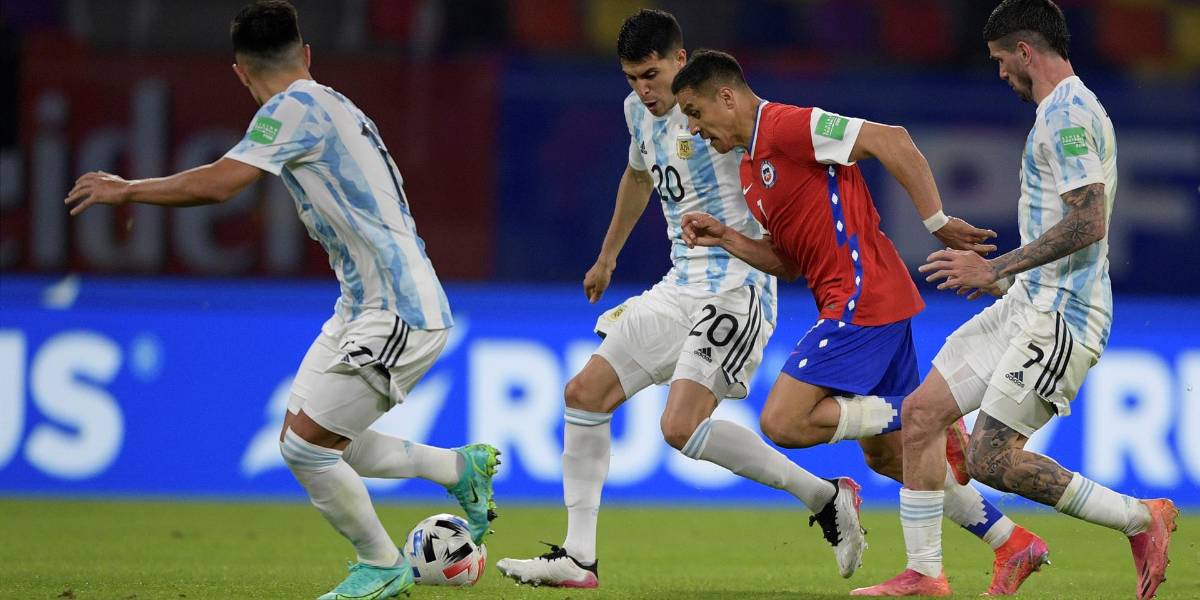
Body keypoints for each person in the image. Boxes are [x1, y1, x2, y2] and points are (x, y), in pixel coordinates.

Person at [63, 2, 499, 598]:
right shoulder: (332, 102)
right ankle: (457, 469)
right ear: (308, 54)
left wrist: (129, 189)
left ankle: (382, 564)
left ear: (240, 71)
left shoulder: (292, 109)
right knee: (314, 439)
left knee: (307, 448)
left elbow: (222, 183)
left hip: (398, 306)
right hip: (363, 303)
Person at [497, 9, 874, 587]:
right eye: (630, 78)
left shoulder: (726, 114)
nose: (643, 90)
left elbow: (811, 159)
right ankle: (578, 558)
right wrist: (607, 256)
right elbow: (637, 177)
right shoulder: (636, 114)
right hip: (678, 287)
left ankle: (823, 498)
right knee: (584, 394)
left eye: (651, 74)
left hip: (736, 290)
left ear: (681, 60)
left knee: (679, 429)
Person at [673, 49, 1049, 595]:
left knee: (784, 422)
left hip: (862, 300)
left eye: (696, 112)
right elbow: (790, 261)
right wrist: (727, 237)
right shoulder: (753, 171)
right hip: (861, 302)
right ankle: (1011, 542)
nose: (694, 128)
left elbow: (890, 138)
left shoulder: (789, 125)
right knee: (889, 456)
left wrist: (937, 221)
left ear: (726, 97)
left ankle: (930, 414)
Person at [852, 1, 1179, 597]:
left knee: (990, 459)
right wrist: (1006, 279)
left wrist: (992, 267)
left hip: (1063, 319)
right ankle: (926, 574)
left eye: (1003, 61)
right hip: (1027, 303)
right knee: (923, 416)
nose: (1001, 75)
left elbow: (1090, 222)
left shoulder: (1070, 113)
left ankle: (1142, 517)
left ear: (1025, 51)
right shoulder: (1059, 112)